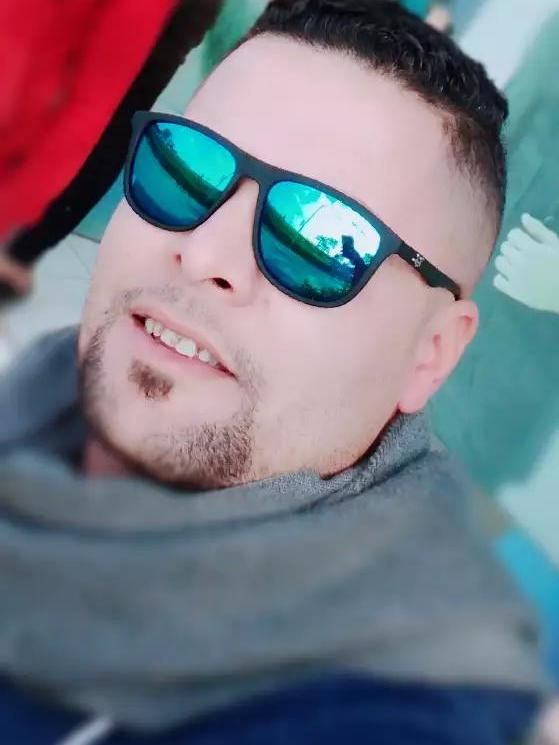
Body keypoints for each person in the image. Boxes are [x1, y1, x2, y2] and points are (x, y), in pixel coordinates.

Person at [0, 1, 546, 744]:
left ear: (430, 353)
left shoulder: (387, 700)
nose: (204, 253)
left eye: (321, 238)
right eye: (187, 168)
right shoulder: (38, 401)